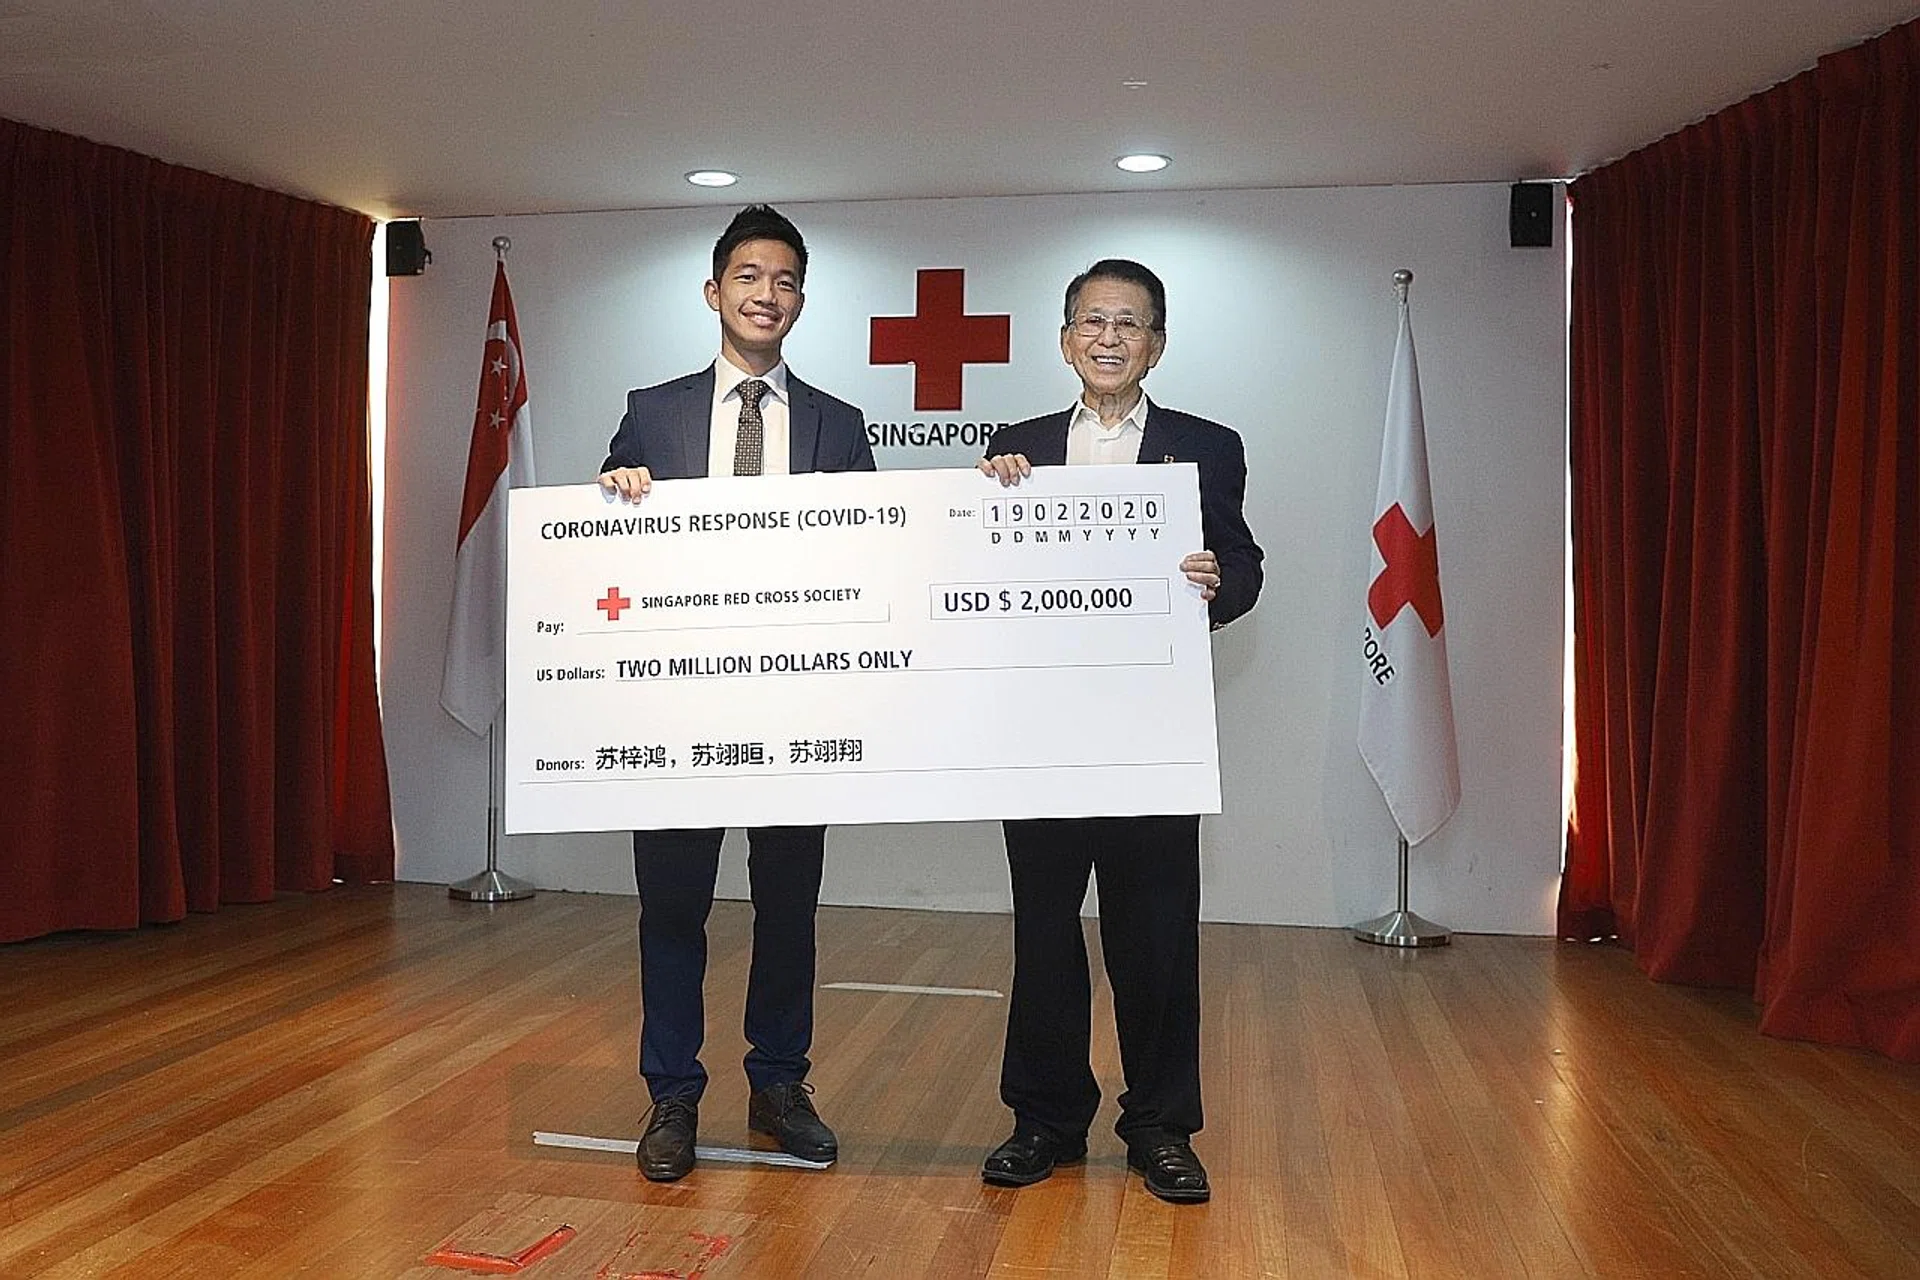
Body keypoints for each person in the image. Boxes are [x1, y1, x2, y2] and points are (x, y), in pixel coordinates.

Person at [975, 258, 1263, 1204]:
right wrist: (987, 502)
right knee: (1044, 936)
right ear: (1065, 340)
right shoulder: (1012, 447)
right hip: (1043, 738)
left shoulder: (1206, 448)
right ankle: (1045, 1121)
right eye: (1092, 322)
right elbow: (967, 575)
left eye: (1129, 324)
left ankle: (1161, 1126)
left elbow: (1247, 568)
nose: (1109, 339)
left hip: (1153, 733)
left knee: (1155, 936)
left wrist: (1218, 579)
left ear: (1157, 343)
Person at [598, 205, 874, 1182]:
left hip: (795, 711)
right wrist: (614, 499)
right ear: (716, 292)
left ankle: (778, 1083)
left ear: (802, 300)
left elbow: (869, 566)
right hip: (678, 712)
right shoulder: (653, 411)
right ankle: (672, 1093)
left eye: (786, 279)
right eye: (749, 276)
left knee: (787, 907)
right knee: (672, 910)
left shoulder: (841, 426)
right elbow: (597, 557)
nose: (768, 294)